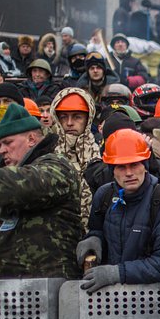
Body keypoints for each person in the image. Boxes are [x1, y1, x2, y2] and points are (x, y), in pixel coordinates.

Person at [0, 103, 81, 279]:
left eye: (8, 143)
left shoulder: (58, 166)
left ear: (31, 139)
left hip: (46, 290)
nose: (1, 150)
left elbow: (26, 185)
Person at [76, 128, 160, 293]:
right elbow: (98, 230)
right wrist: (93, 240)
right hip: (110, 299)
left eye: (134, 164)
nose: (129, 173)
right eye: (121, 167)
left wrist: (117, 273)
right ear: (112, 170)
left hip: (155, 301)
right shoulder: (104, 195)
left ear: (145, 165)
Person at [52, 87, 101, 220]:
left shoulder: (101, 155)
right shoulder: (47, 155)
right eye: (63, 117)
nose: (69, 123)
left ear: (88, 119)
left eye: (77, 117)